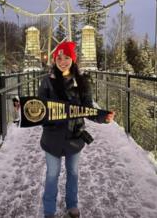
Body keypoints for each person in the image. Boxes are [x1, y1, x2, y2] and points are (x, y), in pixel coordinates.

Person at [38, 41, 114, 218]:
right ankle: (49, 210)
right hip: (52, 137)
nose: (62, 61)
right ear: (54, 60)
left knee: (73, 173)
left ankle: (72, 205)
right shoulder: (47, 81)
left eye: (66, 57)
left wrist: (103, 116)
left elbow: (87, 108)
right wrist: (24, 108)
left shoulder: (82, 82)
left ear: (73, 59)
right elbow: (38, 107)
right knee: (52, 174)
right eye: (59, 58)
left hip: (75, 136)